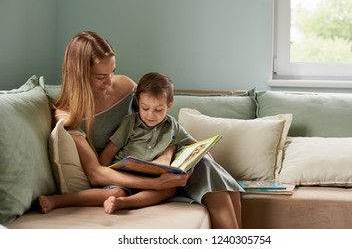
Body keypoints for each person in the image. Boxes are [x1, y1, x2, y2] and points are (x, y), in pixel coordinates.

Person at [39, 31, 243, 228]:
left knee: (208, 165)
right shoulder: (69, 116)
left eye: (113, 72)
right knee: (205, 175)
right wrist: (156, 184)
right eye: (101, 77)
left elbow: (157, 120)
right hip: (123, 175)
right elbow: (96, 173)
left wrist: (167, 152)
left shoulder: (124, 86)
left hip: (157, 162)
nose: (109, 82)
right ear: (79, 74)